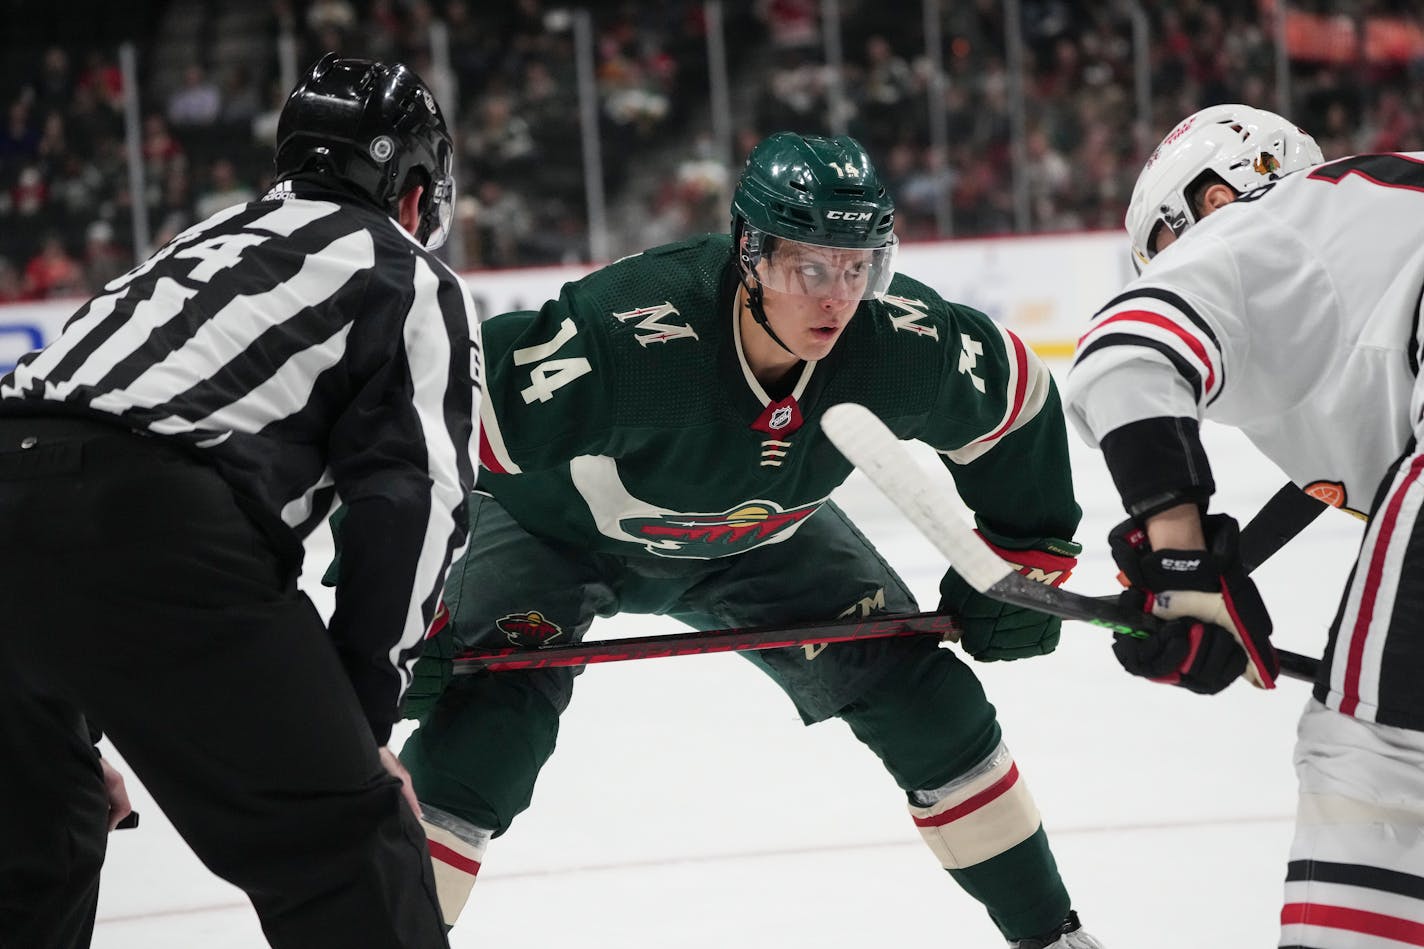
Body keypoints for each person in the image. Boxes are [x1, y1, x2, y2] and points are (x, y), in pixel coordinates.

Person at [395, 131, 1103, 948]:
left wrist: (1023, 557)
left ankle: (1054, 936)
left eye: (858, 265)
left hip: (765, 536)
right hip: (558, 532)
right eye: (810, 267)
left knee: (928, 704)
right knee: (483, 739)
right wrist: (403, 615)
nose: (837, 298)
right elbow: (416, 436)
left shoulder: (894, 342)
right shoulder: (629, 337)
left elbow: (1018, 399)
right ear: (751, 253)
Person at [0, 53, 475, 949]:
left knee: (34, 839)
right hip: (150, 527)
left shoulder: (189, 245)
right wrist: (359, 726)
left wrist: (49, 701)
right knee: (347, 849)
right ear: (413, 191)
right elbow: (414, 501)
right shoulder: (402, 272)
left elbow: (52, 459)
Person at [1066, 104, 1424, 947]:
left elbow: (1124, 351)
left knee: (1376, 761)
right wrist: (1217, 569)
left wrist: (1183, 565)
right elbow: (1349, 477)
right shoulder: (1374, 223)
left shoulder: (1271, 220)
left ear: (1216, 196)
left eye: (1167, 246)